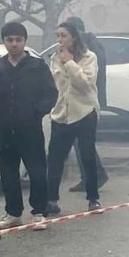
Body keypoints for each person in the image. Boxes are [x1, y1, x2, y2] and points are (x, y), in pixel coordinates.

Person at [0, 23, 56, 230]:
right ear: (4, 41)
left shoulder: (37, 66)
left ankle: (39, 212)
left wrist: (35, 112)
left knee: (36, 172)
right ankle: (13, 213)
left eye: (18, 39)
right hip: (4, 129)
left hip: (30, 129)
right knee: (8, 173)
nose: (14, 44)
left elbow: (50, 94)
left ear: (25, 41)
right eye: (10, 40)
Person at [45, 22, 101, 213]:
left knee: (87, 155)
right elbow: (56, 86)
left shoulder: (89, 57)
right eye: (57, 36)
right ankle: (52, 200)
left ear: (74, 38)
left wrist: (69, 62)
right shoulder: (54, 58)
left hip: (84, 112)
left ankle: (93, 198)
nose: (59, 40)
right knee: (55, 158)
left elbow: (85, 84)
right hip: (61, 114)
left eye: (63, 36)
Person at [62, 16, 108, 194]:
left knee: (82, 143)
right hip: (89, 98)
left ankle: (93, 177)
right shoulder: (94, 44)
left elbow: (87, 76)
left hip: (85, 100)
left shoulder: (88, 48)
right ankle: (92, 176)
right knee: (83, 143)